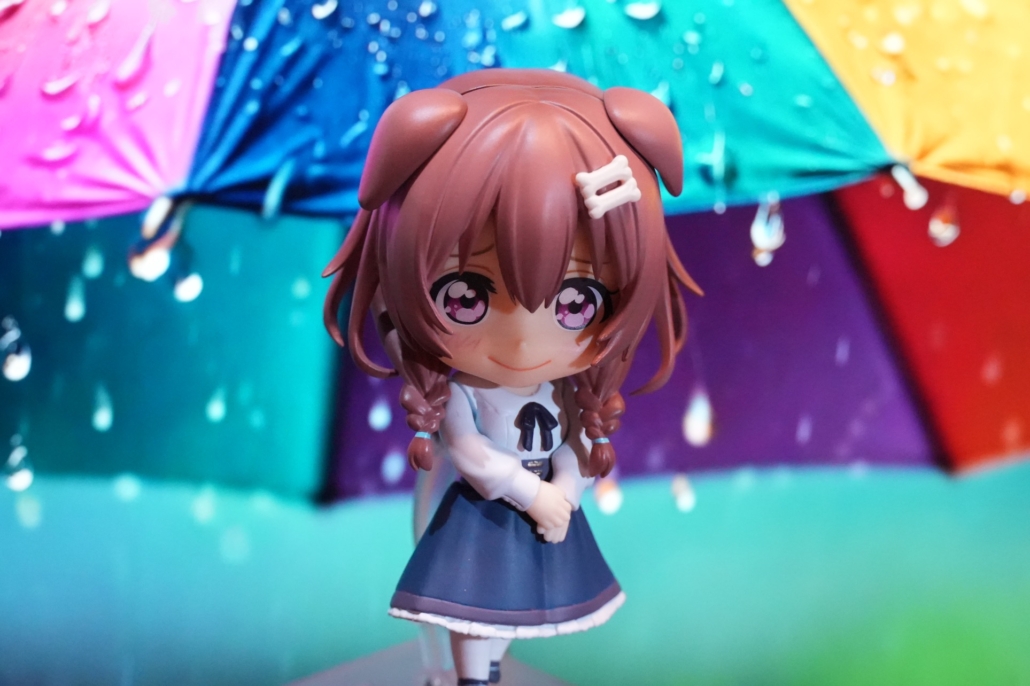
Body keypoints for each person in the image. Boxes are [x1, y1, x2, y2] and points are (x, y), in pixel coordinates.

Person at [323, 68, 698, 685]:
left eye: (576, 302)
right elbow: (470, 454)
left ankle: (488, 669)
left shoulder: (566, 390)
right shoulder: (459, 395)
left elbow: (577, 443)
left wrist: (567, 490)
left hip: (539, 515)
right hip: (483, 517)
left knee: (515, 613)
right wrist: (534, 494)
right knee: (471, 612)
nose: (524, 339)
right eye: (465, 294)